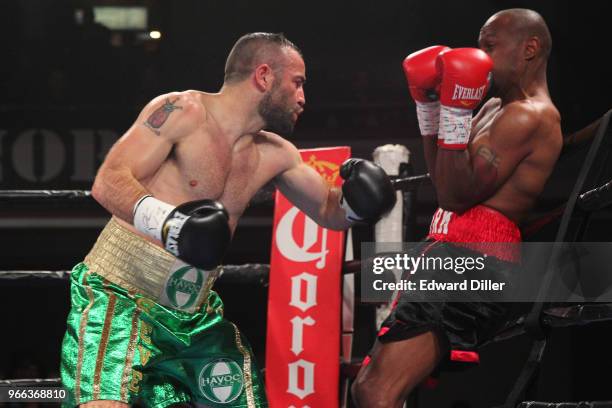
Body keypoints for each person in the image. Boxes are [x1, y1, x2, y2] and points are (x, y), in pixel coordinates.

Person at [60, 32, 396, 408]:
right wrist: (170, 224)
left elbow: (329, 211)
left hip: (192, 318)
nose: (303, 98)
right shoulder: (181, 111)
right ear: (264, 76)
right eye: (297, 83)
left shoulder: (277, 154)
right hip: (121, 296)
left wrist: (358, 203)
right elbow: (108, 181)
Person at [352, 9, 562, 407]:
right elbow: (443, 176)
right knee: (368, 387)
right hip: (447, 251)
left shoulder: (531, 116)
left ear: (529, 48)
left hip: (473, 259)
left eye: (489, 45)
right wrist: (430, 107)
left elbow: (454, 194)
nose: (480, 55)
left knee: (376, 390)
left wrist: (450, 111)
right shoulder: (491, 108)